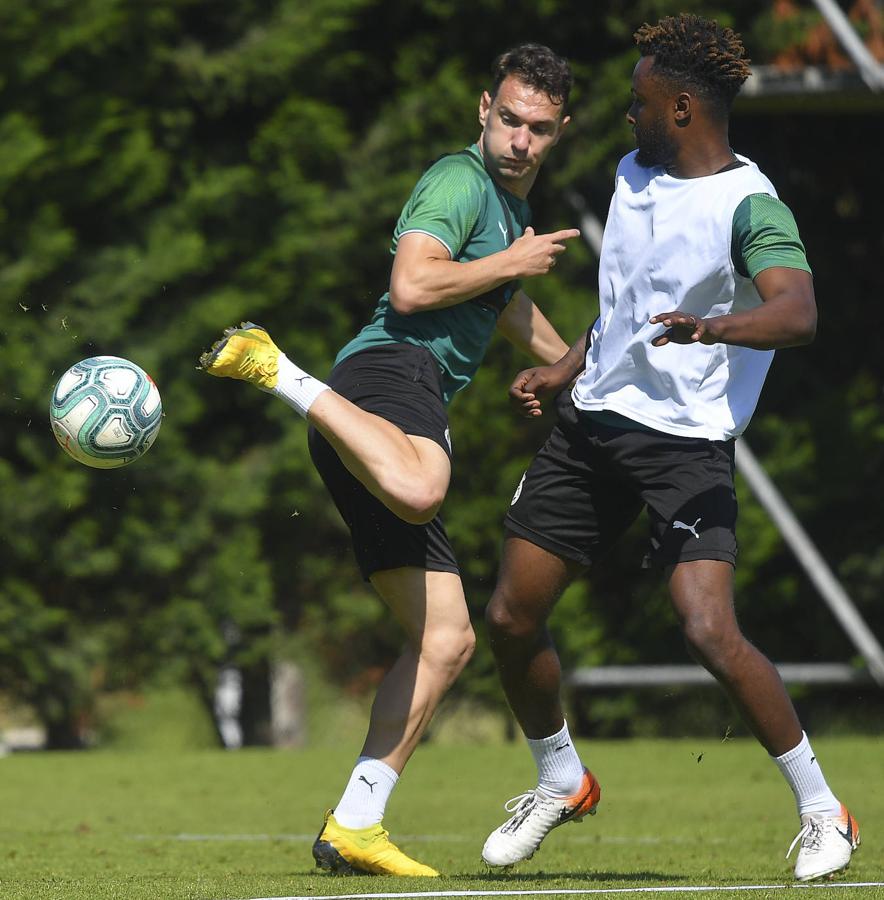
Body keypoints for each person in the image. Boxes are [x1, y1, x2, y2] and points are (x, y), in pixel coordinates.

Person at [481, 14, 860, 884]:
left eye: (639, 100)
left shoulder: (748, 203)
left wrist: (714, 327)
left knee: (708, 629)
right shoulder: (632, 173)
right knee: (508, 617)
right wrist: (571, 365)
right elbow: (625, 302)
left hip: (683, 446)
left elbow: (796, 313)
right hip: (592, 427)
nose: (627, 115)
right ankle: (559, 776)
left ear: (682, 107)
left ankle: (821, 811)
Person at [199, 44, 578, 876]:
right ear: (484, 109)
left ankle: (355, 822)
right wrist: (511, 264)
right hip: (387, 375)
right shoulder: (458, 181)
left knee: (445, 640)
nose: (518, 139)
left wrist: (583, 365)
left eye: (537, 128)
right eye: (508, 119)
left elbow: (519, 321)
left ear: (558, 134)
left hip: (376, 413)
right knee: (423, 483)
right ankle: (278, 369)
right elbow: (412, 288)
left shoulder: (507, 220)